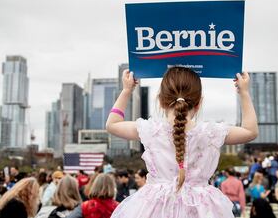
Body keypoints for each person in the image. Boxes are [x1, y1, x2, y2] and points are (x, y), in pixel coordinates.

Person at [106, 67, 258, 218]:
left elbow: (112, 125)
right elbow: (250, 131)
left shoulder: (150, 130)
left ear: (161, 101)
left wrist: (126, 90)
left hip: (153, 207)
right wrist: (243, 92)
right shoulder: (211, 133)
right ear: (199, 103)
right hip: (202, 209)